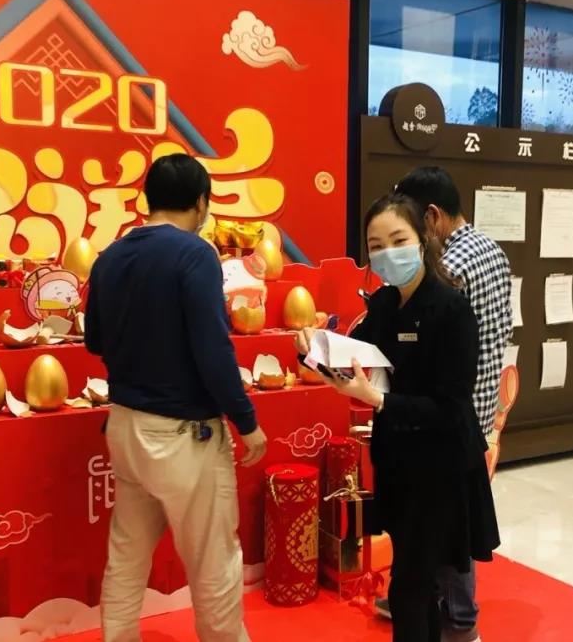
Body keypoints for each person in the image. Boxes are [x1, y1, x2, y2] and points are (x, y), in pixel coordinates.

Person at [294, 193, 500, 642]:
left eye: (398, 240)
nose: (388, 253)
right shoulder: (386, 304)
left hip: (442, 467)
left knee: (409, 586)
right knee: (417, 584)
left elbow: (451, 407)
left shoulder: (451, 309)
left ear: (423, 239)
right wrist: (312, 349)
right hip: (399, 461)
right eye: (376, 245)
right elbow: (354, 352)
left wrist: (378, 399)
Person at [85, 154, 268, 642]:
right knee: (213, 560)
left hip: (125, 425)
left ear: (149, 199)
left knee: (126, 555)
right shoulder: (195, 254)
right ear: (201, 202)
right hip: (185, 434)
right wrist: (247, 421)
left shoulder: (109, 257)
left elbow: (95, 340)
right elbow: (213, 349)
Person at [389, 165, 512, 640]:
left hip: (447, 416)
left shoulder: (449, 268)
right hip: (481, 406)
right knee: (454, 517)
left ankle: (458, 618)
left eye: (408, 228)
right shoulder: (493, 250)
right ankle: (437, 601)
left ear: (433, 216)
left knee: (445, 521)